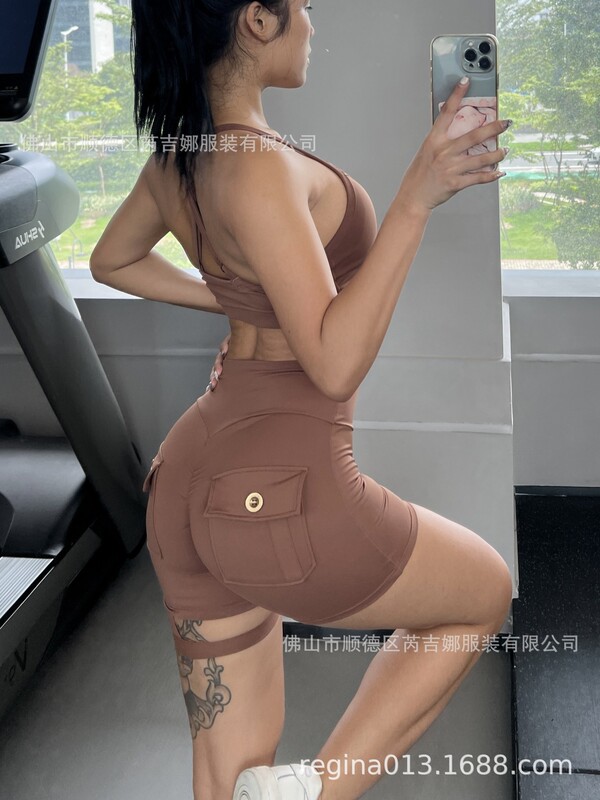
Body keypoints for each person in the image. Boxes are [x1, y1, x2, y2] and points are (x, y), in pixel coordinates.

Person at [89, 2, 513, 798]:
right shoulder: (256, 165)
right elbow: (335, 365)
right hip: (278, 489)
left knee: (226, 776)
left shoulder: (180, 158)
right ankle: (317, 788)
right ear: (257, 19)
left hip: (186, 477)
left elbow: (111, 260)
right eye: (304, 7)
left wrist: (240, 301)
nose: (314, 24)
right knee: (482, 593)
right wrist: (414, 199)